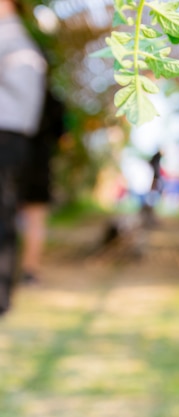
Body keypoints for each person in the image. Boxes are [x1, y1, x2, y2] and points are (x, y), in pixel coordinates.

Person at [0, 0, 47, 313]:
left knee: (5, 217)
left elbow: (24, 113)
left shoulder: (18, 45)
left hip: (7, 137)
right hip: (11, 138)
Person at [18, 87, 66, 285]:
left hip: (11, 160)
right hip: (39, 165)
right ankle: (30, 271)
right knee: (35, 221)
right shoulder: (53, 100)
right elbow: (63, 138)